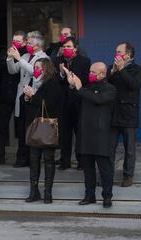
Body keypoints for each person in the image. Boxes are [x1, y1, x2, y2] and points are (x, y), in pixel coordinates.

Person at [64, 62, 116, 208]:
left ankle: (107, 197)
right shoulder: (86, 88)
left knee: (105, 170)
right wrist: (72, 86)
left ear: (103, 74)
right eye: (90, 71)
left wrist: (80, 88)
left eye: (94, 72)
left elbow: (98, 99)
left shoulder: (110, 89)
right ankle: (89, 195)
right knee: (88, 169)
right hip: (85, 135)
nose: (90, 74)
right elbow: (74, 102)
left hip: (101, 136)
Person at [23, 58, 63, 204]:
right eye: (34, 67)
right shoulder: (33, 82)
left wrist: (33, 96)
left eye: (38, 67)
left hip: (47, 127)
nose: (36, 69)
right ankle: (34, 191)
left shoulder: (52, 83)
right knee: (33, 160)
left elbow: (50, 104)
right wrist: (27, 98)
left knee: (48, 160)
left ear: (46, 68)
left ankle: (47, 192)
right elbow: (30, 105)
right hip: (34, 126)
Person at [6, 30, 48, 167]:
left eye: (30, 43)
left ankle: (31, 158)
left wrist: (19, 59)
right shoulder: (24, 55)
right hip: (21, 95)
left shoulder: (44, 58)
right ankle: (21, 157)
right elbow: (13, 70)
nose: (27, 45)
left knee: (31, 128)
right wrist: (10, 58)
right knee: (22, 128)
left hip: (33, 96)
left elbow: (34, 71)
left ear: (38, 45)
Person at [108, 42, 141, 187]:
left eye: (119, 52)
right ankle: (107, 175)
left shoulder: (139, 70)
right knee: (109, 148)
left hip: (129, 114)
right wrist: (113, 72)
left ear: (128, 55)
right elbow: (107, 84)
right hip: (113, 114)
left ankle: (128, 176)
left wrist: (122, 69)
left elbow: (133, 85)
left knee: (129, 149)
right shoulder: (113, 68)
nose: (116, 54)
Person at [0, 30, 27, 166]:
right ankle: (0, 156)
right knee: (1, 127)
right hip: (5, 95)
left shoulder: (26, 56)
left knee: (21, 129)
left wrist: (17, 58)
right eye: (14, 40)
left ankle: (21, 157)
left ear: (23, 42)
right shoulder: (6, 53)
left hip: (20, 96)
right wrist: (6, 59)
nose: (15, 43)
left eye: (18, 41)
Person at [53, 37, 91, 170]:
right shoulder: (57, 61)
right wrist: (62, 75)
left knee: (79, 133)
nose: (66, 49)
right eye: (64, 47)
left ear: (75, 48)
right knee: (64, 134)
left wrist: (71, 77)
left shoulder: (84, 61)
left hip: (78, 102)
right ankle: (65, 161)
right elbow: (55, 80)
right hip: (63, 103)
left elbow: (84, 81)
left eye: (69, 47)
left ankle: (81, 161)